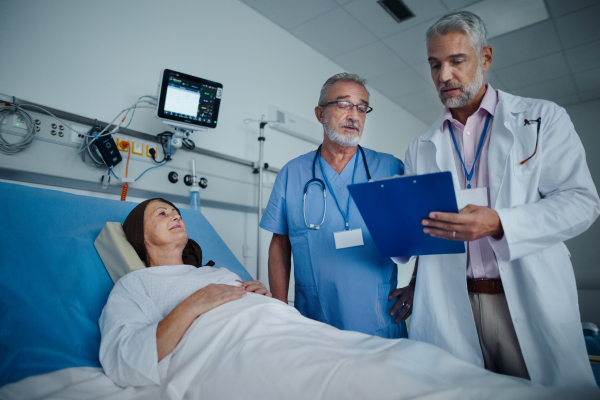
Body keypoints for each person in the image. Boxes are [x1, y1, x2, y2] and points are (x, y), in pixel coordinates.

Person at [97, 198, 564, 398]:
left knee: (397, 360)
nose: (175, 216)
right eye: (162, 213)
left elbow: (249, 300)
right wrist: (198, 304)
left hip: (286, 330)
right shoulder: (134, 287)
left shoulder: (214, 271)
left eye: (177, 211)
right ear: (140, 234)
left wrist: (255, 294)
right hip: (233, 351)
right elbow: (124, 360)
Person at [393, 11, 600, 387]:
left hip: (524, 295)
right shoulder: (420, 146)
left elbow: (581, 201)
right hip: (451, 304)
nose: (444, 76)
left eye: (457, 61)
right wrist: (412, 277)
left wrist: (500, 222)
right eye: (435, 64)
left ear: (485, 58)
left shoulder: (541, 119)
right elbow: (425, 230)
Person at [260, 73, 408, 338]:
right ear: (320, 113)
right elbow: (280, 243)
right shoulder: (292, 173)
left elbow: (431, 227)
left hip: (378, 319)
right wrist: (279, 307)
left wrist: (416, 285)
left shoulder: (390, 168)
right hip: (314, 319)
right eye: (344, 105)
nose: (354, 115)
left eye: (362, 108)